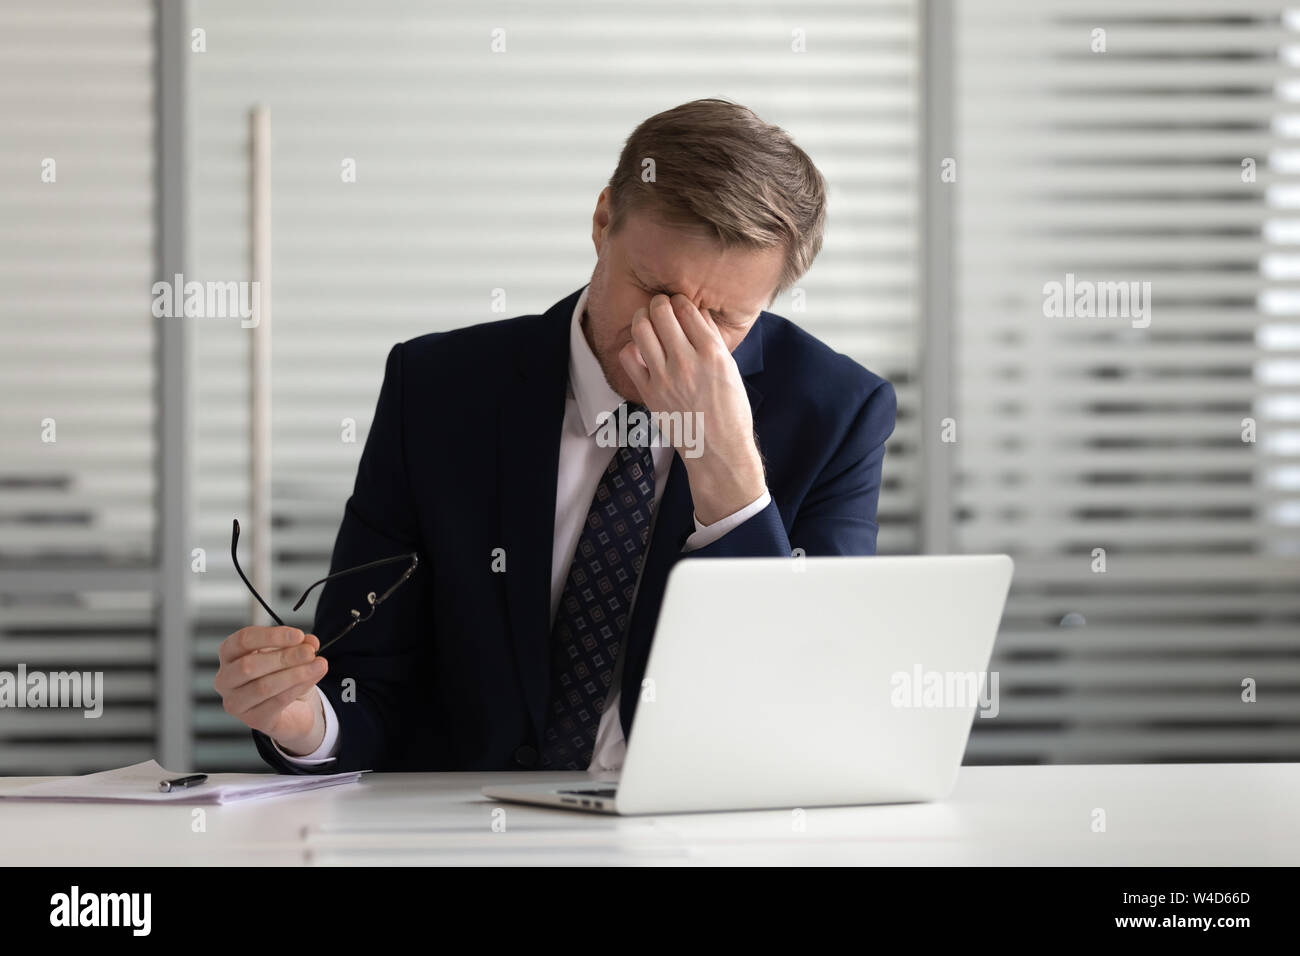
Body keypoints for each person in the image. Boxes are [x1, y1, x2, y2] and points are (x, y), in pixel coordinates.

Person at [214, 98, 897, 773]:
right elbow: (367, 685)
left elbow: (813, 707)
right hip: (464, 833)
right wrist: (305, 721)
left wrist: (729, 478)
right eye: (653, 291)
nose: (670, 343)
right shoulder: (438, 389)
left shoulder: (837, 413)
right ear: (603, 221)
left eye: (722, 320)